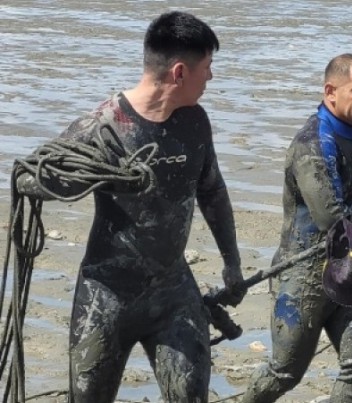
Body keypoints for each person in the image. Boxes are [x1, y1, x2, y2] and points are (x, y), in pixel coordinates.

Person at [14, 11, 246, 402]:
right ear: (178, 72)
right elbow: (28, 178)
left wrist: (232, 262)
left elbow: (213, 192)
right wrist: (94, 173)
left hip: (173, 291)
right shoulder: (103, 126)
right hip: (107, 295)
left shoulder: (195, 122)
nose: (210, 77)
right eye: (207, 67)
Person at [241, 53, 352, 403]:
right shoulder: (310, 144)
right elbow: (332, 220)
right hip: (304, 274)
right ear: (330, 92)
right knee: (286, 371)